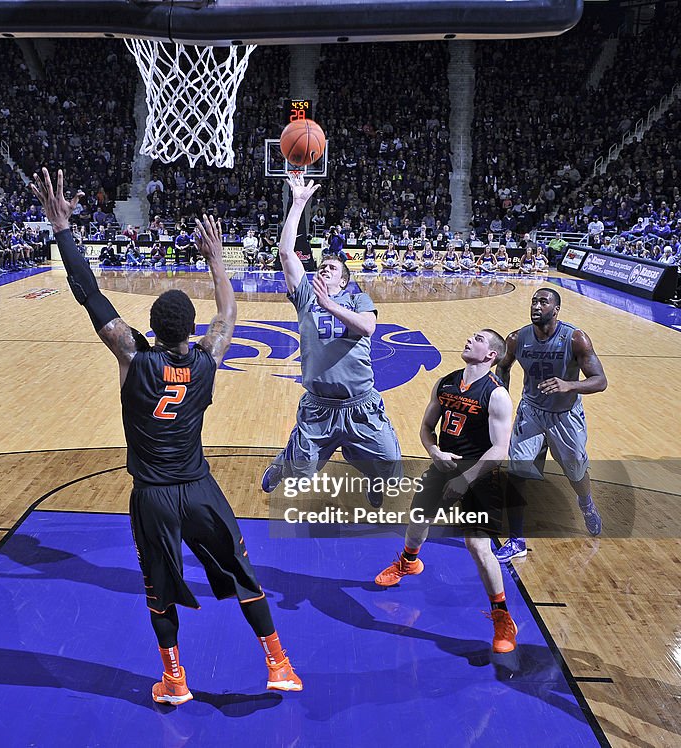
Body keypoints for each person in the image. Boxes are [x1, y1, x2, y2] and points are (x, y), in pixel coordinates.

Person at [31, 167, 301, 704]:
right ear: (190, 327)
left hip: (153, 496)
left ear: (152, 328)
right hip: (199, 488)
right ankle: (278, 663)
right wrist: (218, 262)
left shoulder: (133, 356)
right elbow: (228, 312)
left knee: (158, 587)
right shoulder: (207, 359)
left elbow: (89, 295)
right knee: (243, 571)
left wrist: (62, 227)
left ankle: (174, 679)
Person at [262, 174, 402, 508]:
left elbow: (368, 328)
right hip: (319, 406)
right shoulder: (306, 297)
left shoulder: (358, 300)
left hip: (360, 405)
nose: (323, 270)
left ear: (344, 280)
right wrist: (297, 204)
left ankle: (372, 477)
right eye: (321, 266)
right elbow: (285, 253)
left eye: (331, 268)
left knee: (391, 470)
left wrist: (330, 306)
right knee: (300, 479)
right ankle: (285, 462)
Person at [373, 329, 517, 653]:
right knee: (417, 519)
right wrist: (434, 452)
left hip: (479, 474)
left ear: (491, 355)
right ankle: (409, 562)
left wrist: (465, 481)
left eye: (478, 339)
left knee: (478, 545)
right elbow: (426, 429)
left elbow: (499, 450)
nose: (469, 339)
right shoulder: (445, 383)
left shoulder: (496, 395)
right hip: (443, 465)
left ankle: (502, 617)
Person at [494, 288, 608, 562]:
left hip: (565, 415)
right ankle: (516, 539)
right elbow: (503, 367)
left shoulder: (575, 338)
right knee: (517, 472)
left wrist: (568, 384)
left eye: (543, 302)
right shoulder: (516, 338)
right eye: (533, 301)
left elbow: (600, 380)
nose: (536, 306)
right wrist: (503, 400)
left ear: (556, 310)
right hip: (531, 412)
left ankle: (586, 504)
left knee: (576, 473)